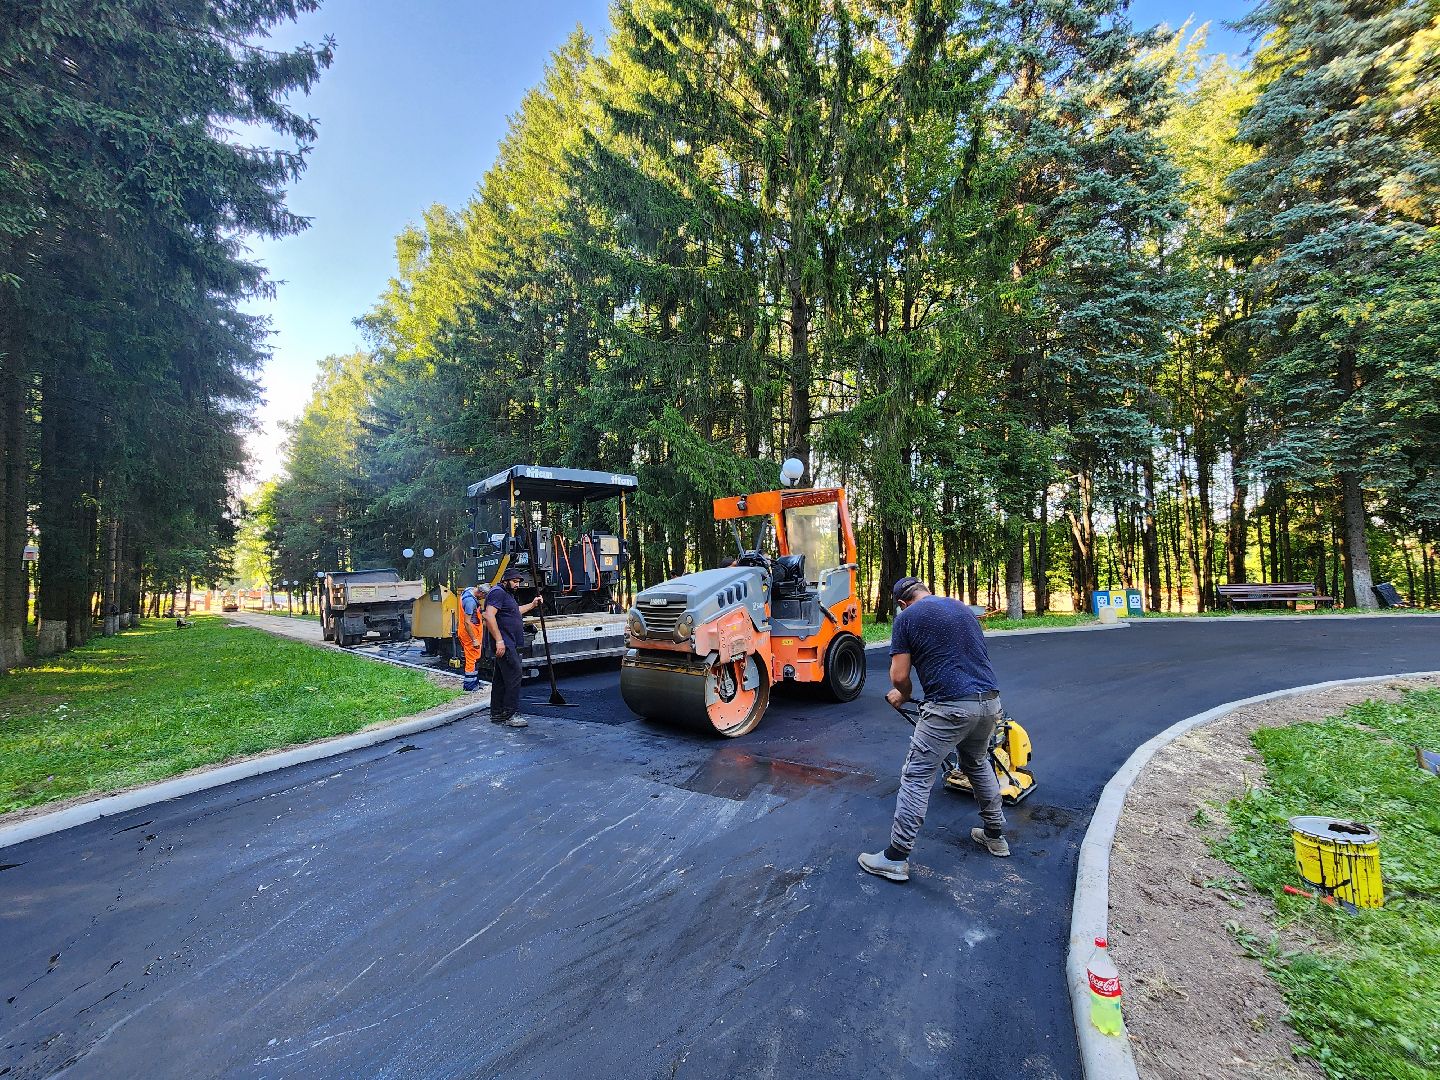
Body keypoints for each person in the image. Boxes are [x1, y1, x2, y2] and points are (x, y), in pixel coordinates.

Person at [859, 575, 1010, 883]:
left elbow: (899, 675)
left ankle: (896, 857)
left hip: (949, 707)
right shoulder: (961, 608)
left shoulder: (908, 617)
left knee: (916, 775)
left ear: (902, 603)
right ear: (926, 590)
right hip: (989, 702)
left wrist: (901, 693)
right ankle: (995, 835)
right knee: (976, 763)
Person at [482, 566, 544, 729]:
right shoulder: (498, 592)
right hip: (505, 643)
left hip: (509, 642)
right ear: (505, 580)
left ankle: (497, 713)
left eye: (518, 582)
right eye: (514, 581)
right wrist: (500, 641)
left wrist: (532, 605)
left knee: (501, 679)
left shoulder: (506, 594)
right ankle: (510, 714)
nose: (517, 585)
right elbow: (488, 615)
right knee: (515, 675)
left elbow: (514, 612)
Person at [457, 584, 488, 692]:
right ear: (480, 593)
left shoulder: (469, 590)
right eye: (483, 597)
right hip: (470, 635)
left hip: (470, 632)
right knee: (472, 659)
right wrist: (474, 639)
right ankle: (470, 686)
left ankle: (474, 682)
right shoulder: (470, 602)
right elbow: (467, 622)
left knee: (474, 658)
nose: (482, 599)